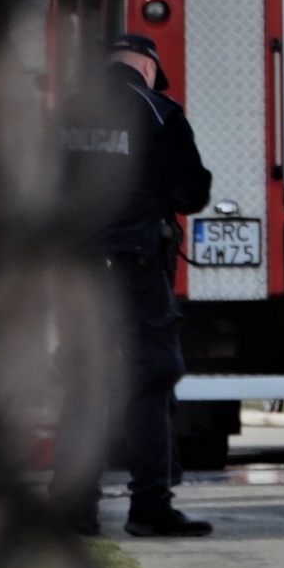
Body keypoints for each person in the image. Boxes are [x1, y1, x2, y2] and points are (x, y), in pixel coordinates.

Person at [52, 33, 214, 538]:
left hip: (76, 274)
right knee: (149, 379)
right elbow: (192, 193)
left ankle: (74, 510)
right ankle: (150, 507)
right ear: (147, 67)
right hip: (136, 271)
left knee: (81, 384)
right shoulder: (159, 112)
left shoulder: (61, 116)